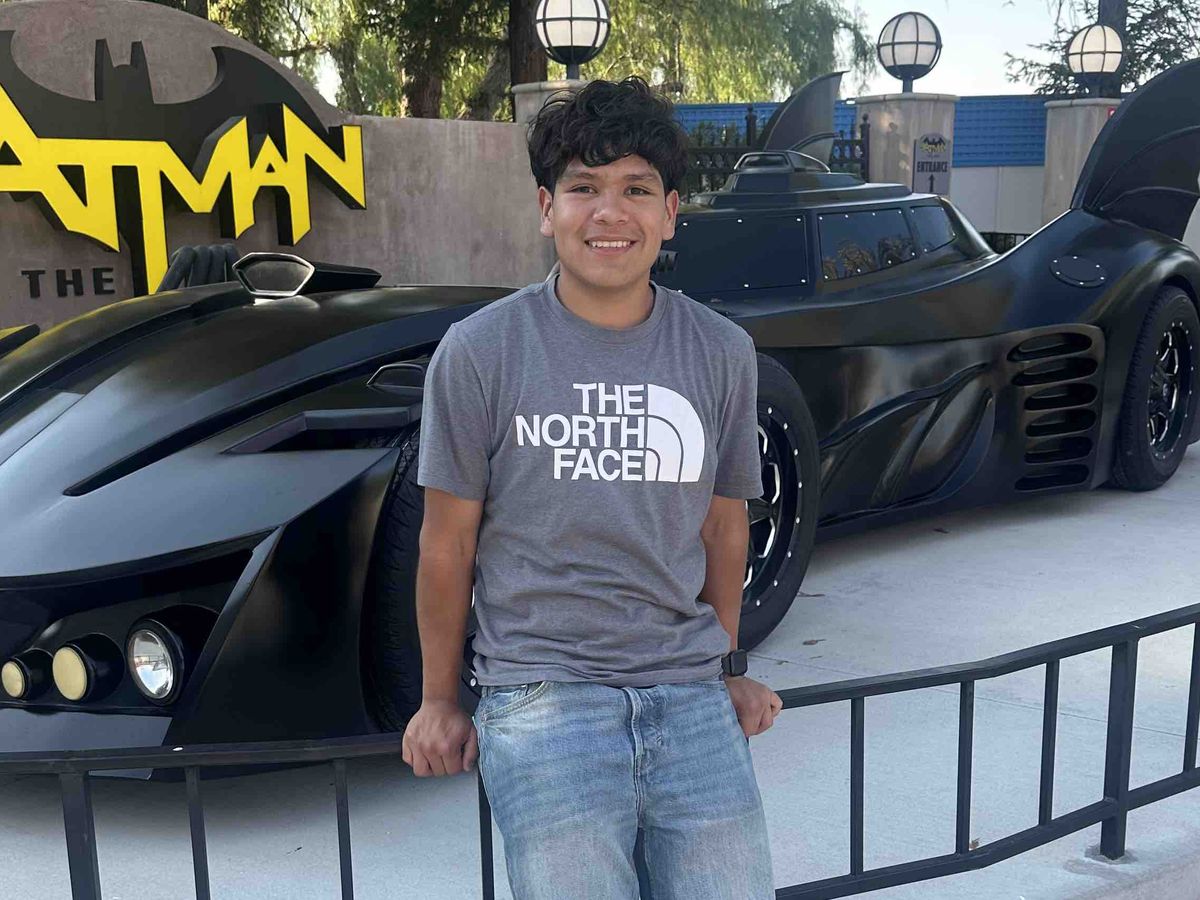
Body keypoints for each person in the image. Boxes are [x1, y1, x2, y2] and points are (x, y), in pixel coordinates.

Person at [402, 75, 782, 899]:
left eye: (636, 189)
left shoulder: (721, 352)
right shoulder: (480, 352)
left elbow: (724, 528)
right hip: (542, 696)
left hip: (689, 694)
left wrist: (726, 669)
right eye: (584, 188)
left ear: (670, 212)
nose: (610, 213)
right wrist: (438, 700)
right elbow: (447, 543)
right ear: (547, 208)